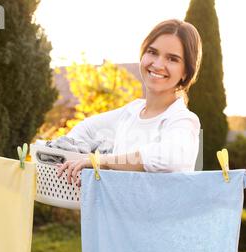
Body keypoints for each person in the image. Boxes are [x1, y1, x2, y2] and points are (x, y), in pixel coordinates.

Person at [56, 19, 203, 186]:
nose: (158, 64)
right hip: (114, 211)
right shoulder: (130, 112)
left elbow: (168, 158)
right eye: (152, 52)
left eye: (172, 59)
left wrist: (103, 161)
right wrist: (70, 155)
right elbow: (85, 129)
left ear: (186, 72)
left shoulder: (183, 120)